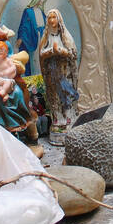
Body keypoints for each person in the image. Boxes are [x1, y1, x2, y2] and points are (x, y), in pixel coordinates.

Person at [38, 8, 78, 139]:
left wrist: (60, 51)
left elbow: (72, 53)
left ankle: (67, 117)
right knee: (53, 95)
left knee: (65, 95)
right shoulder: (46, 37)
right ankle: (56, 118)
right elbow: (41, 53)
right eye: (49, 18)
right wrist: (50, 52)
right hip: (52, 71)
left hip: (64, 71)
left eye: (54, 17)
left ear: (59, 19)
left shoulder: (65, 36)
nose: (51, 20)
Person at [14, 0, 47, 76]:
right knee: (34, 60)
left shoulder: (41, 12)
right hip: (34, 37)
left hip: (42, 38)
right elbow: (24, 26)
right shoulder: (28, 11)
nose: (42, 1)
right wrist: (21, 38)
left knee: (42, 59)